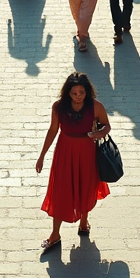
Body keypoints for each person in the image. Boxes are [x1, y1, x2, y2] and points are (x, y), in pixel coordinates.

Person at [35, 72, 111, 253]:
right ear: (67, 92)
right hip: (65, 152)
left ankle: (84, 222)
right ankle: (55, 234)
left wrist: (99, 133)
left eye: (81, 93)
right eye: (74, 93)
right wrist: (42, 155)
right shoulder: (58, 107)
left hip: (87, 153)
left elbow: (106, 125)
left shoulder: (96, 107)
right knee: (61, 191)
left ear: (88, 92)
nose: (78, 97)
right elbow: (53, 130)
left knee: (86, 187)